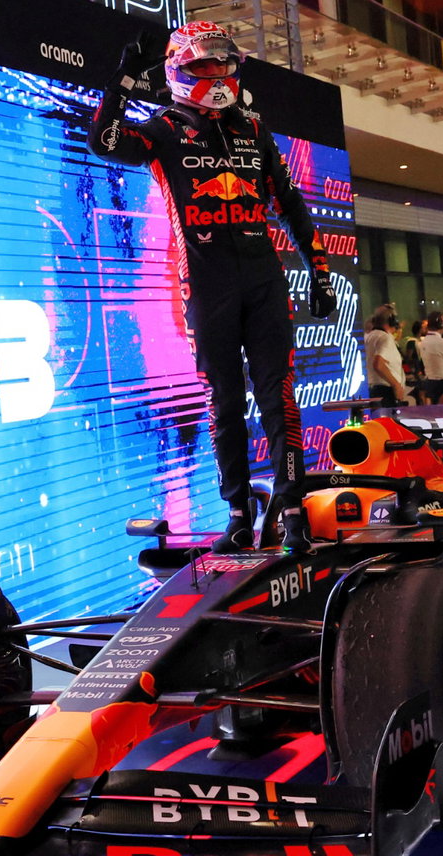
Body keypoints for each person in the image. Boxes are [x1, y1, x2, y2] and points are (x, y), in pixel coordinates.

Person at [90, 21, 338, 550]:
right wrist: (124, 83)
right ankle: (238, 514)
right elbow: (104, 141)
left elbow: (291, 205)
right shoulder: (162, 129)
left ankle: (292, 510)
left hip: (264, 279)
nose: (216, 73)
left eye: (223, 63)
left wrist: (318, 269)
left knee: (279, 398)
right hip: (205, 285)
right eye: (203, 65)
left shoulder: (253, 129)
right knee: (223, 401)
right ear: (180, 70)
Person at [365, 311, 409, 407]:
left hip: (372, 389)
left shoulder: (368, 337)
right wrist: (396, 385)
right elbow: (378, 364)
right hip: (386, 391)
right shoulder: (385, 338)